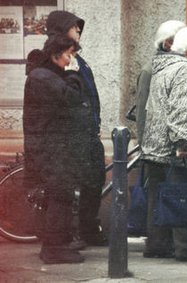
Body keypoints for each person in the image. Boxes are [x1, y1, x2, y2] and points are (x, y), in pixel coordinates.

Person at [132, 20, 187, 251]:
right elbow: (181, 108)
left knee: (162, 196)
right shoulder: (182, 69)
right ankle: (184, 247)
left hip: (159, 145)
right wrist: (182, 142)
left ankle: (158, 245)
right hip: (175, 147)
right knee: (182, 194)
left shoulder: (165, 66)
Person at [44, 10, 107, 249]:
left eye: (80, 27)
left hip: (88, 131)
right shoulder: (57, 57)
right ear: (61, 29)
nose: (79, 30)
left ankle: (88, 227)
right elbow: (66, 97)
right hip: (72, 136)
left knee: (94, 181)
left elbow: (87, 94)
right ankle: (75, 233)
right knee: (69, 187)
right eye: (74, 26)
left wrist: (94, 123)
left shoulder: (78, 58)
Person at [24, 34, 84, 264]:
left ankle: (57, 246)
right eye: (69, 55)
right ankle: (53, 249)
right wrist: (74, 75)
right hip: (50, 148)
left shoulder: (47, 75)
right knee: (59, 196)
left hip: (54, 146)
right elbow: (71, 98)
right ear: (55, 54)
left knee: (62, 195)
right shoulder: (43, 78)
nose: (71, 60)